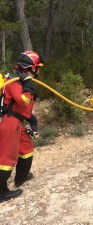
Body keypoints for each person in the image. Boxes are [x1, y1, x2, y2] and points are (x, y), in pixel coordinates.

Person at [0, 51, 43, 202]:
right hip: (9, 123)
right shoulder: (14, 81)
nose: (39, 70)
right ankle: (1, 192)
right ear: (31, 68)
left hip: (17, 122)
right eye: (38, 67)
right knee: (7, 158)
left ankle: (21, 177)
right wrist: (28, 84)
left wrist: (32, 120)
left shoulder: (22, 81)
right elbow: (24, 101)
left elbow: (25, 108)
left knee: (26, 148)